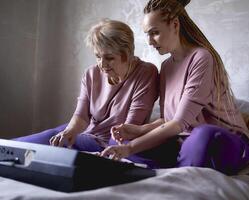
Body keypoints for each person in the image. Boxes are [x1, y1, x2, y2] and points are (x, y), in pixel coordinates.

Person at [100, 0, 249, 175]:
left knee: (202, 135)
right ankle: (181, 165)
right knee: (116, 143)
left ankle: (179, 171)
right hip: (185, 141)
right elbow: (168, 121)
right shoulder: (166, 67)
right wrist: (139, 131)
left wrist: (131, 148)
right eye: (147, 34)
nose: (149, 41)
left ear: (175, 25)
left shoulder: (202, 58)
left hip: (225, 142)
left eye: (154, 33)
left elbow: (179, 123)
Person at [14, 19, 159, 152]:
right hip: (86, 133)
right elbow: (81, 116)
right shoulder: (91, 74)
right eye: (97, 56)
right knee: (47, 137)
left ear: (127, 54)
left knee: (50, 144)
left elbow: (130, 127)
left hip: (109, 141)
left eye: (109, 58)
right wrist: (70, 131)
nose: (102, 64)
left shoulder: (146, 73)